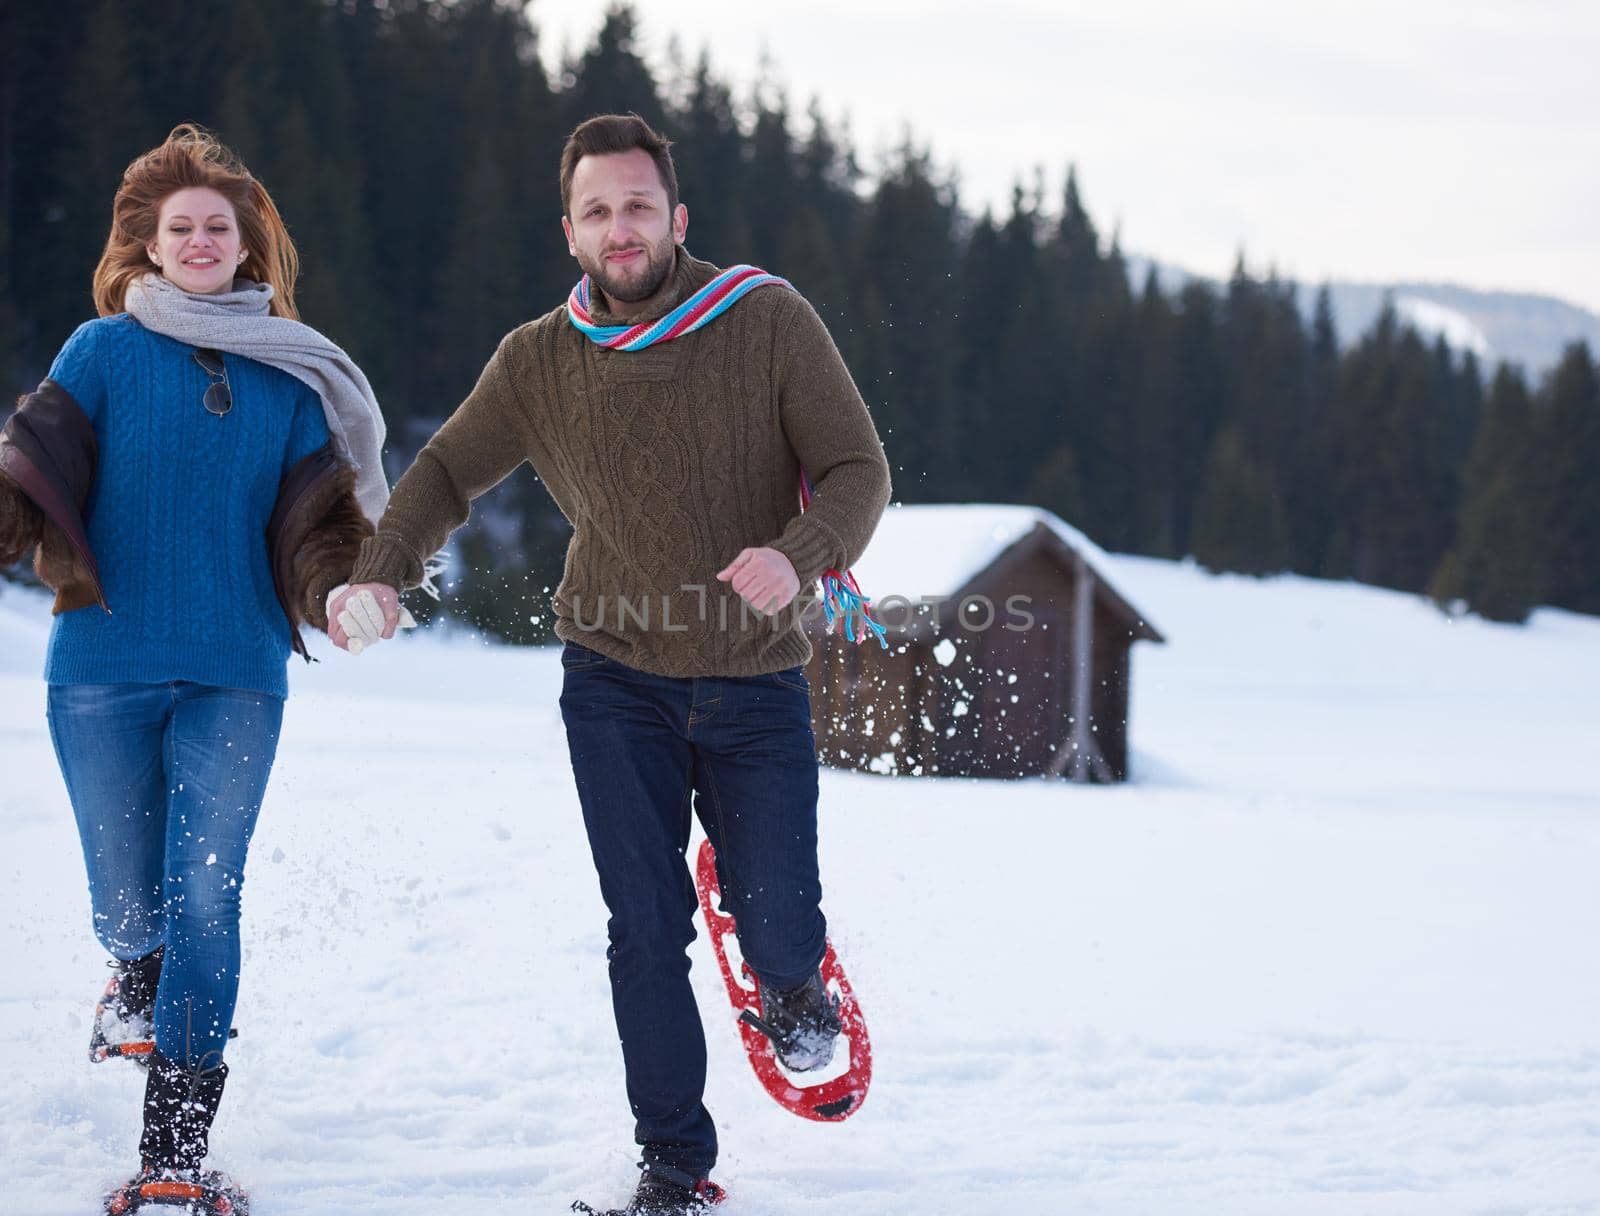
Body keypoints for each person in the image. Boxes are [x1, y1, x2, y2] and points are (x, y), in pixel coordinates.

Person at [329, 112, 890, 1215]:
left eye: (638, 205)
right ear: (570, 232)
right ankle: (674, 1167)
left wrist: (800, 553)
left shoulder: (766, 319)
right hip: (613, 679)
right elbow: (445, 469)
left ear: (676, 218)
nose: (619, 227)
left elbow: (856, 466)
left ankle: (785, 972)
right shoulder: (537, 358)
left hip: (755, 677)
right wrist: (384, 565)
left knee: (780, 923)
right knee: (642, 931)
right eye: (597, 210)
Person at [0, 124, 386, 1215]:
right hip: (101, 668)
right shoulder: (101, 350)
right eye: (184, 227)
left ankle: (174, 1149)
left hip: (236, 670)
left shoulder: (290, 377)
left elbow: (318, 532)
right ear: (151, 246)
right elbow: (30, 472)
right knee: (131, 907)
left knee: (205, 895)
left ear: (250, 242)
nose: (204, 239)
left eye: (221, 224)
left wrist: (347, 589)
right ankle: (132, 971)